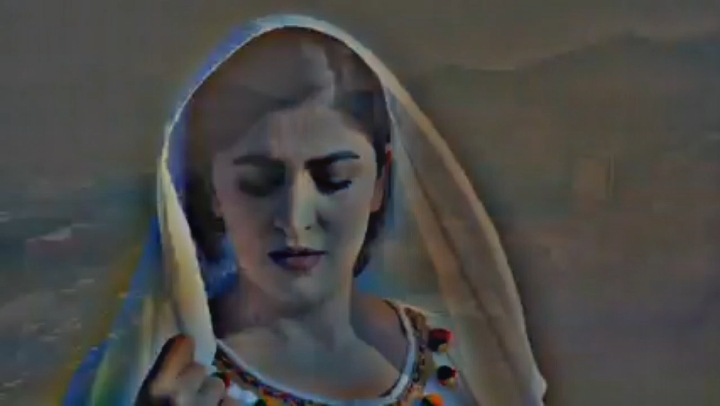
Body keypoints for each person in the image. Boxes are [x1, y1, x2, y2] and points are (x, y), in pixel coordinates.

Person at [63, 15, 546, 406]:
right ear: (213, 193)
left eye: (334, 179)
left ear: (380, 183)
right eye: (258, 183)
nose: (295, 219)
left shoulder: (458, 357)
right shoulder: (150, 384)